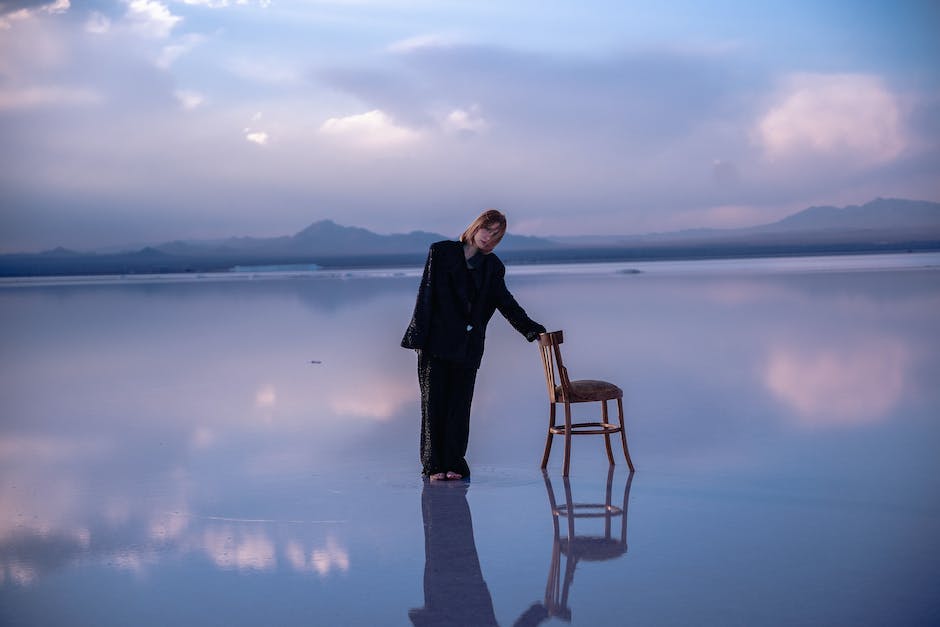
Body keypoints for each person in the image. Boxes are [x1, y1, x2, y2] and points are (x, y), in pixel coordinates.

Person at [401, 209, 546, 481]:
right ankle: (434, 466)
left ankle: (454, 463)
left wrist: (531, 329)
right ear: (476, 227)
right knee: (434, 405)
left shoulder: (493, 267)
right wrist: (419, 339)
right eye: (487, 231)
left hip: (469, 346)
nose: (490, 239)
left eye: (497, 236)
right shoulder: (441, 252)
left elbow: (506, 302)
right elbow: (426, 296)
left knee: (459, 405)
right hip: (436, 344)